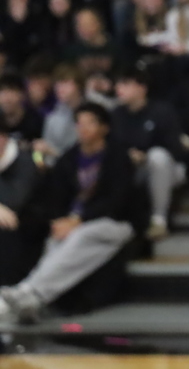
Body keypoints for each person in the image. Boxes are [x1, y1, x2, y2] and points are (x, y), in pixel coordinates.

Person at [0, 103, 140, 324]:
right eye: (79, 123)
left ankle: (30, 290)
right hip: (74, 223)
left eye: (90, 123)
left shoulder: (117, 157)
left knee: (81, 236)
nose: (82, 128)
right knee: (55, 242)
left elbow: (117, 201)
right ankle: (32, 299)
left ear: (104, 127)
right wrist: (59, 220)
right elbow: (55, 197)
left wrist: (78, 220)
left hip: (114, 223)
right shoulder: (69, 158)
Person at [110, 66, 186, 241]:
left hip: (166, 168)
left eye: (125, 84)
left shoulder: (162, 111)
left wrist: (144, 155)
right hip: (130, 169)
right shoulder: (115, 115)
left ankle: (158, 220)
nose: (119, 89)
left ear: (142, 87)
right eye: (118, 84)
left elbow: (177, 150)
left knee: (157, 156)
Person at [0, 119, 39, 286]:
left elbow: (14, 200)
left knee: (5, 226)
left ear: (3, 138)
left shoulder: (24, 160)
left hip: (27, 221)